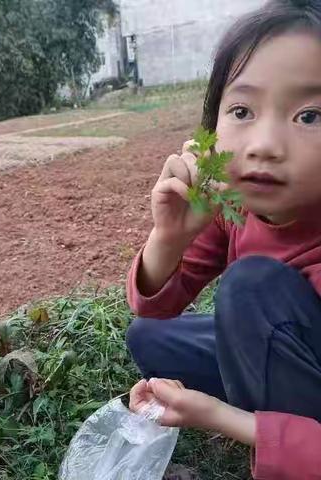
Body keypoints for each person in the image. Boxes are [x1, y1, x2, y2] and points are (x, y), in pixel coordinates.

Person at [125, 1, 321, 478]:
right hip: (281, 342)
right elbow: (152, 306)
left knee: (249, 286)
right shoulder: (234, 206)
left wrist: (226, 419)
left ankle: (283, 437)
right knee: (150, 336)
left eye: (310, 116)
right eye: (241, 110)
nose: (263, 145)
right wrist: (169, 237)